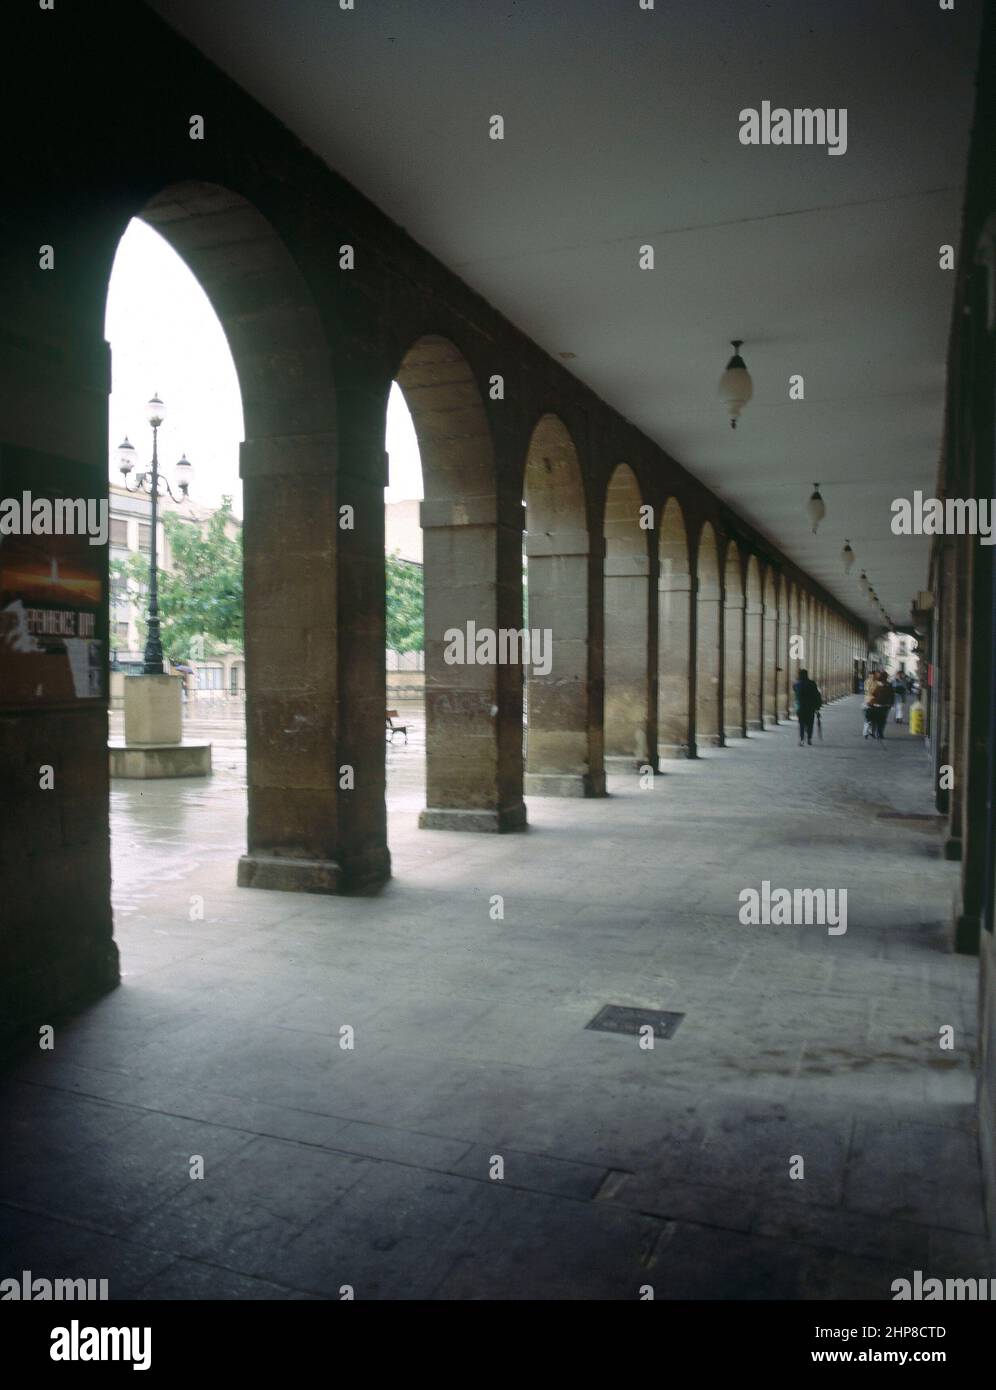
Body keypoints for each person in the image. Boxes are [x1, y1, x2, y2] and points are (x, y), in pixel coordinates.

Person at [793, 668, 822, 746]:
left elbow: (795, 691)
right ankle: (809, 738)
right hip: (810, 707)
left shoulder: (797, 684)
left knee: (801, 723)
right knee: (810, 723)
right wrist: (818, 707)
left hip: (801, 708)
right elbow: (817, 695)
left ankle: (802, 739)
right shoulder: (812, 683)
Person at [864, 669, 893, 742]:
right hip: (884, 705)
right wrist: (891, 703)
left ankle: (877, 732)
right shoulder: (888, 685)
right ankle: (879, 733)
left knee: (878, 719)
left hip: (878, 704)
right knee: (882, 720)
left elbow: (873, 693)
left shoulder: (878, 684)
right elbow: (892, 695)